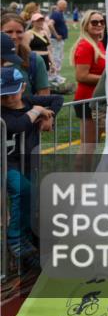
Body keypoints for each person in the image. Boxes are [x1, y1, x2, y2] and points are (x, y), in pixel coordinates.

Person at [2, 64, 63, 268]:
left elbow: (57, 99)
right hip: (6, 164)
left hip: (28, 161)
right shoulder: (6, 111)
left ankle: (27, 240)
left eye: (13, 93)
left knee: (32, 197)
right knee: (23, 190)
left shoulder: (27, 100)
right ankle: (15, 238)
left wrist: (49, 116)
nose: (9, 99)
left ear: (23, 87)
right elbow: (16, 125)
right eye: (4, 95)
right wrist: (37, 111)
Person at [73, 10, 106, 149]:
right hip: (87, 100)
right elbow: (81, 76)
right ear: (86, 25)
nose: (99, 24)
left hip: (96, 100)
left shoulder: (98, 43)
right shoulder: (86, 45)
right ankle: (81, 171)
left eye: (101, 22)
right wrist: (107, 80)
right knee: (88, 147)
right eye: (94, 22)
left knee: (92, 145)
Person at [1, 16, 51, 99]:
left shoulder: (34, 60)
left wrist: (33, 111)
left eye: (19, 32)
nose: (14, 36)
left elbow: (44, 96)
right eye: (9, 32)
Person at [49, 0, 69, 80]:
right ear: (60, 5)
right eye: (64, 5)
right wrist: (56, 35)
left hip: (59, 40)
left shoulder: (59, 13)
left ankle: (56, 74)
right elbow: (50, 24)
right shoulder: (56, 14)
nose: (66, 7)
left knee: (58, 57)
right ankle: (53, 76)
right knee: (56, 57)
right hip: (56, 40)